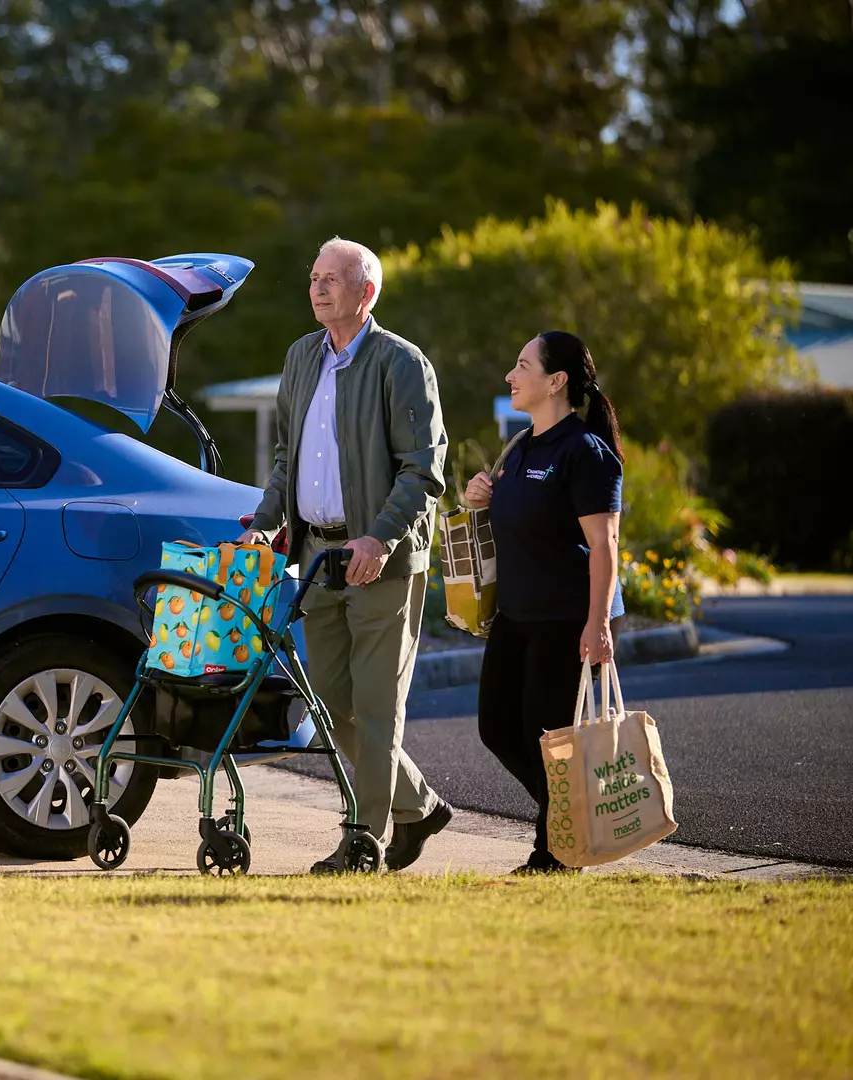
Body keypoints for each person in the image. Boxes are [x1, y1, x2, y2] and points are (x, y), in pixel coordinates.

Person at [239, 237, 452, 874]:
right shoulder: (301, 358)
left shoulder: (401, 363)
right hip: (318, 559)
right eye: (313, 278)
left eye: (333, 279)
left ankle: (365, 839)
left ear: (368, 293)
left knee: (378, 705)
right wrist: (265, 523)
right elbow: (286, 459)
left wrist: (380, 536)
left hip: (380, 559)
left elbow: (425, 468)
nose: (319, 288)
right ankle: (418, 803)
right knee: (331, 707)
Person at [462, 330, 624, 874]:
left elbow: (605, 545)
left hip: (565, 618)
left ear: (556, 381)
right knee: (497, 727)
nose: (511, 375)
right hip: (516, 614)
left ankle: (553, 853)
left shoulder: (586, 453)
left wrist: (597, 623)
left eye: (522, 365)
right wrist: (478, 496)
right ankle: (576, 820)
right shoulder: (520, 448)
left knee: (550, 738)